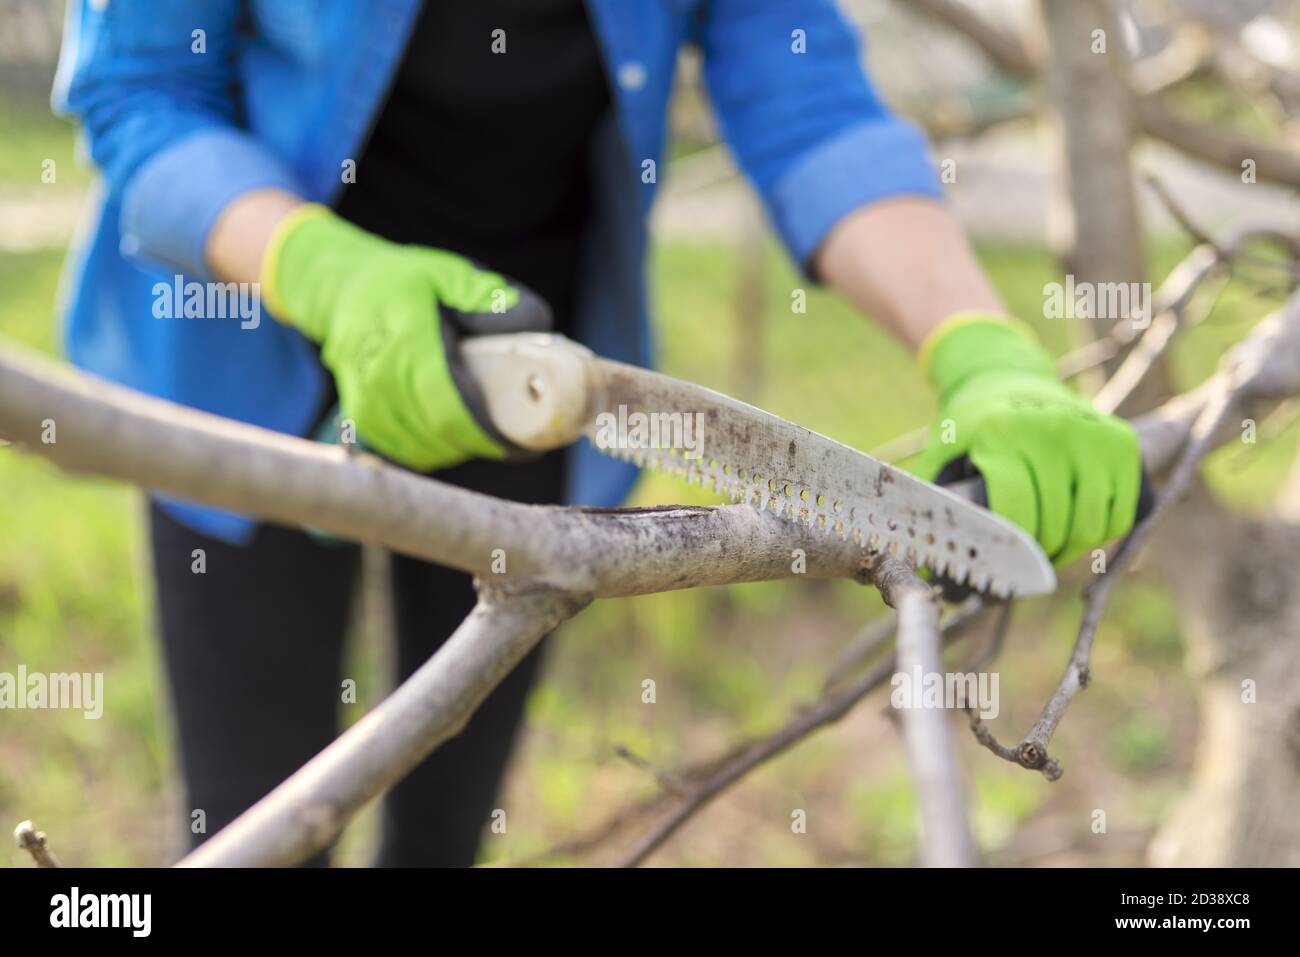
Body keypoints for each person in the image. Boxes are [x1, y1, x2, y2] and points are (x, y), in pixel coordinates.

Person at [52, 1, 1140, 866]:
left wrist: (977, 345)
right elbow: (142, 90)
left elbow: (810, 104)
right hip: (248, 370)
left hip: (532, 380)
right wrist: (322, 275)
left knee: (442, 828)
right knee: (254, 820)